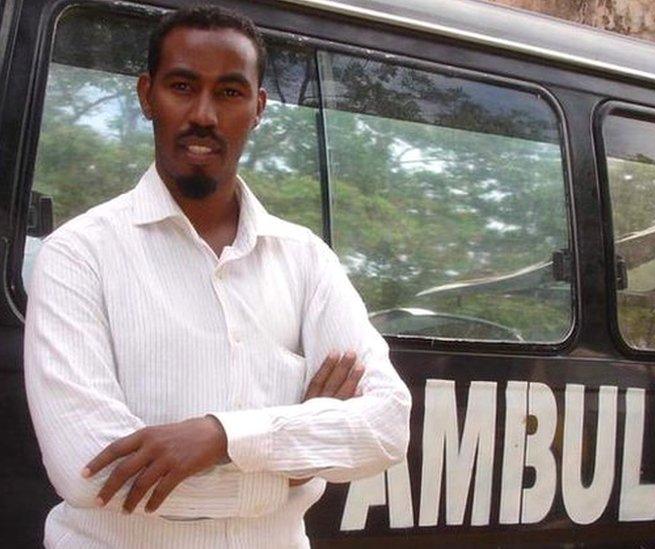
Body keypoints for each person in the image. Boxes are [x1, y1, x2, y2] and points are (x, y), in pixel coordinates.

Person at [23, 5, 411, 547]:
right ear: (146, 95)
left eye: (229, 92)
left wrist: (223, 436)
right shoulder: (78, 256)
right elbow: (92, 471)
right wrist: (295, 465)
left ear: (258, 107)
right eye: (182, 85)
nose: (203, 113)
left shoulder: (306, 260)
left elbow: (388, 425)